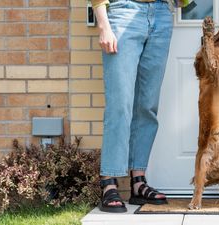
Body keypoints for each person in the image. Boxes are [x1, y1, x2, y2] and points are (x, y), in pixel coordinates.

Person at [92, 0, 174, 213]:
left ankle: (138, 180)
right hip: (124, 11)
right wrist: (103, 25)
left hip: (161, 14)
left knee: (147, 106)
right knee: (120, 105)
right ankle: (108, 182)